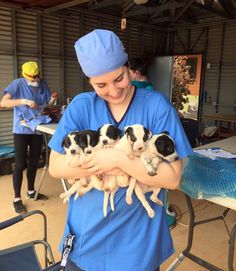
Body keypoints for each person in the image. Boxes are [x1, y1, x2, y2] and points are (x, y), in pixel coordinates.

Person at [48, 29, 193, 271]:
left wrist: (118, 160)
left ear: (129, 68)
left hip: (136, 246)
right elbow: (55, 166)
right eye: (101, 85)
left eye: (119, 78)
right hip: (87, 239)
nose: (114, 91)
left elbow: (173, 178)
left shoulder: (156, 106)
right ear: (89, 81)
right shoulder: (81, 106)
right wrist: (103, 160)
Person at [0, 61, 58, 214]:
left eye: (36, 77)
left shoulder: (42, 83)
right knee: (20, 164)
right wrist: (24, 101)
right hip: (21, 129)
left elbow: (47, 106)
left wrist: (52, 99)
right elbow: (3, 102)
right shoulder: (18, 84)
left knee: (34, 162)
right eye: (31, 78)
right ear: (24, 75)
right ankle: (17, 199)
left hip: (37, 129)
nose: (34, 80)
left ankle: (31, 191)